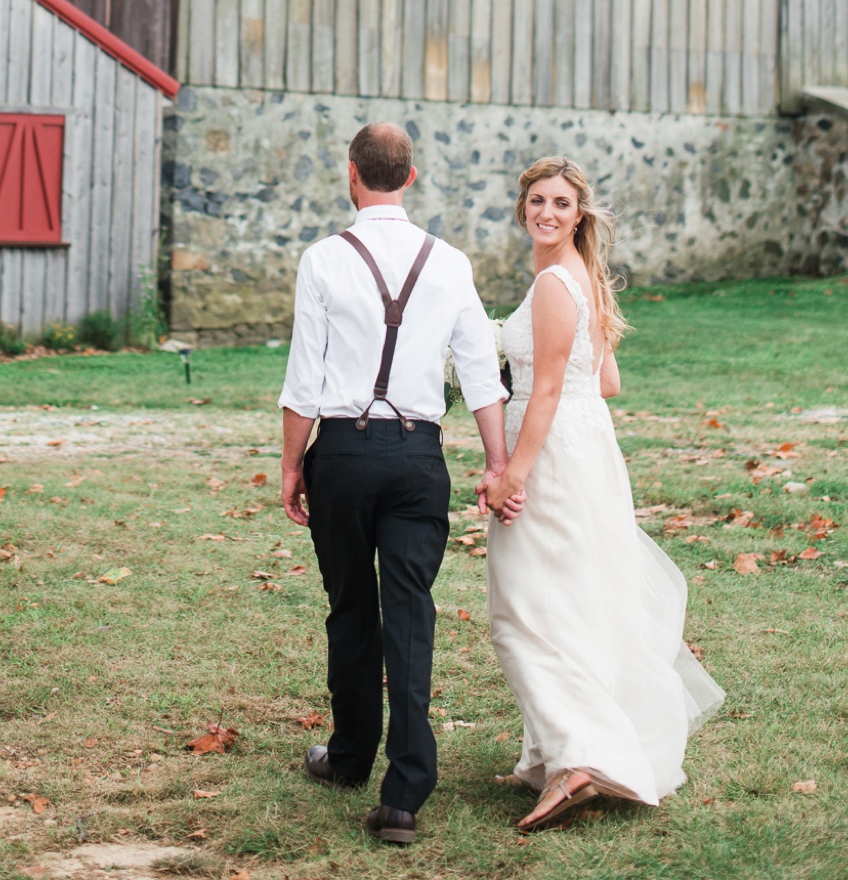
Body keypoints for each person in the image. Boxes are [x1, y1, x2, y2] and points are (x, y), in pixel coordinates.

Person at [279, 121, 514, 847]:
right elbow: (480, 369)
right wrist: (498, 461)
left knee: (351, 606)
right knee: (409, 614)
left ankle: (349, 757)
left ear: (353, 174)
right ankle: (406, 792)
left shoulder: (323, 259)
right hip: (420, 460)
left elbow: (303, 379)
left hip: (345, 455)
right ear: (409, 177)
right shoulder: (449, 262)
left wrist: (293, 465)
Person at [480, 155, 724, 832]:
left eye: (560, 202)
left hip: (554, 452)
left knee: (522, 610)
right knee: (570, 600)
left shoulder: (556, 283)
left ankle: (578, 757)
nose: (546, 212)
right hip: (586, 444)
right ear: (523, 206)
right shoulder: (577, 277)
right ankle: (551, 752)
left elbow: (554, 388)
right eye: (536, 200)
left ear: (578, 213)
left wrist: (512, 475)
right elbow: (604, 378)